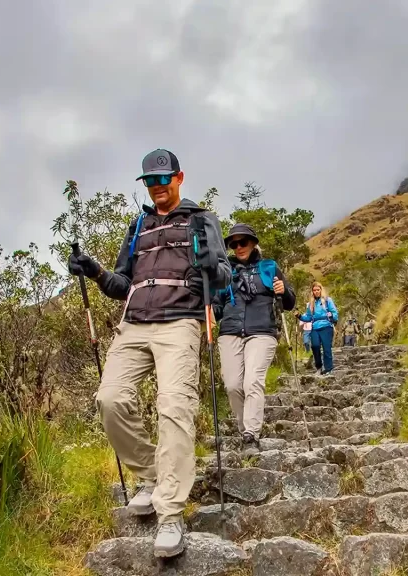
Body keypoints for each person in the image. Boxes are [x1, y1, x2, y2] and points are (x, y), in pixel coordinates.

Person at [68, 148, 229, 559]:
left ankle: (171, 512)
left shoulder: (201, 219)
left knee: (175, 406)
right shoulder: (138, 224)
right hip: (135, 321)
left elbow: (224, 277)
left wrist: (212, 267)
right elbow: (123, 283)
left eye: (164, 179)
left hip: (180, 323)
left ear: (179, 177)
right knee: (110, 399)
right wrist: (95, 271)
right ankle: (153, 475)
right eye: (151, 181)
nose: (158, 187)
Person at [212, 223, 296, 457]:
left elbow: (289, 303)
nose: (238, 247)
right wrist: (207, 309)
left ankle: (251, 434)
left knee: (252, 382)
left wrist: (283, 290)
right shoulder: (225, 272)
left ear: (253, 243)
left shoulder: (269, 267)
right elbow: (217, 307)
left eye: (243, 242)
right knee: (232, 386)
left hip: (262, 331)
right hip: (229, 331)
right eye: (234, 243)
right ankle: (244, 430)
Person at [297, 282, 338, 374]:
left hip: (326, 326)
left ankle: (328, 368)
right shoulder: (310, 304)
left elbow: (334, 313)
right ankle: (318, 367)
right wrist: (299, 316)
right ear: (312, 292)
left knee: (326, 348)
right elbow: (308, 317)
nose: (316, 292)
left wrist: (332, 317)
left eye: (318, 290)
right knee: (315, 346)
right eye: (314, 290)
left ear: (321, 290)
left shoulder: (327, 300)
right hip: (315, 327)